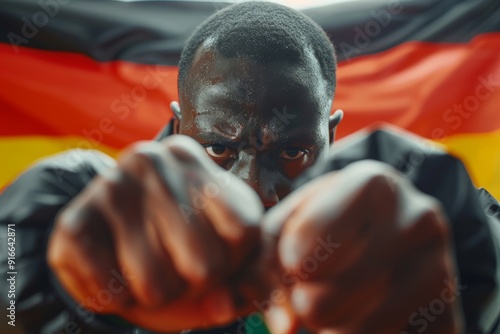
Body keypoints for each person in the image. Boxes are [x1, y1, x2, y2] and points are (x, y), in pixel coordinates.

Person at [1, 1, 499, 333]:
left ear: (332, 134)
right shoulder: (99, 226)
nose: (256, 189)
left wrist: (465, 269)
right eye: (219, 148)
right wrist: (30, 274)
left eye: (291, 152)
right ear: (178, 132)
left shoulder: (429, 218)